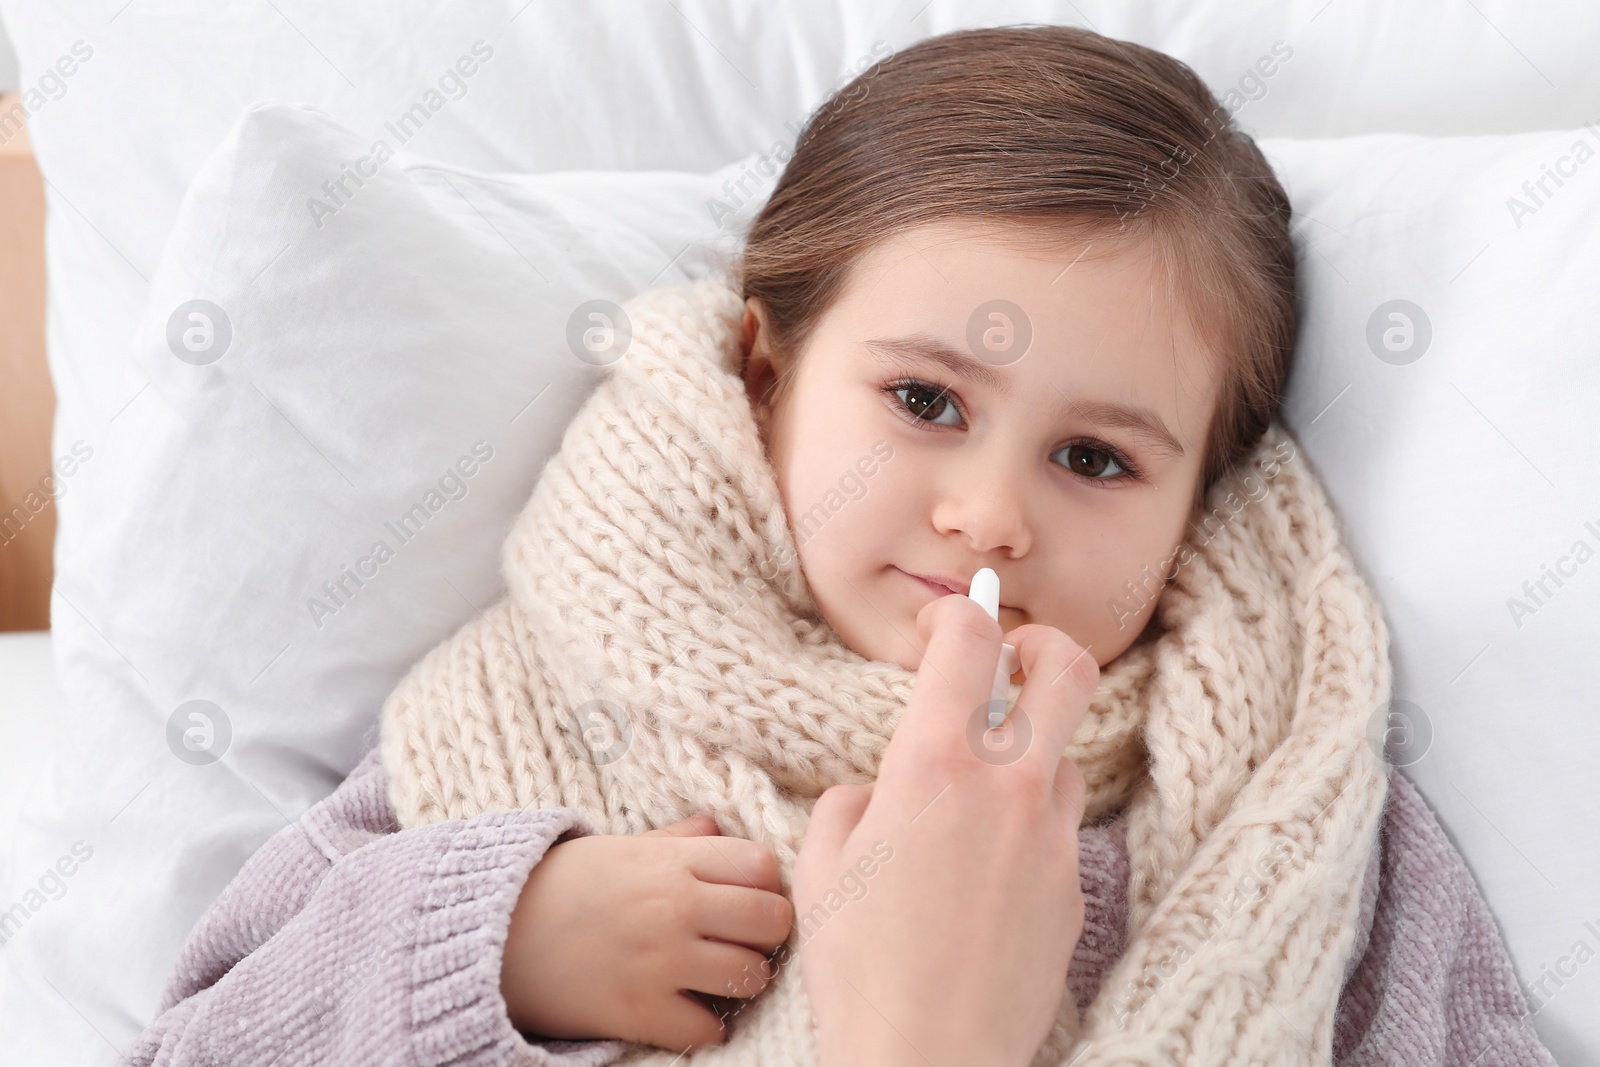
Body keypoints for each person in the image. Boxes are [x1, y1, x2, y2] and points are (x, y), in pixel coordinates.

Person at [120, 25, 1556, 1067]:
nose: (991, 514)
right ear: (764, 375)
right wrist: (493, 951)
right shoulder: (536, 718)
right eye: (926, 402)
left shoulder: (1292, 815)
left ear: (1201, 511)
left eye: (1096, 458)